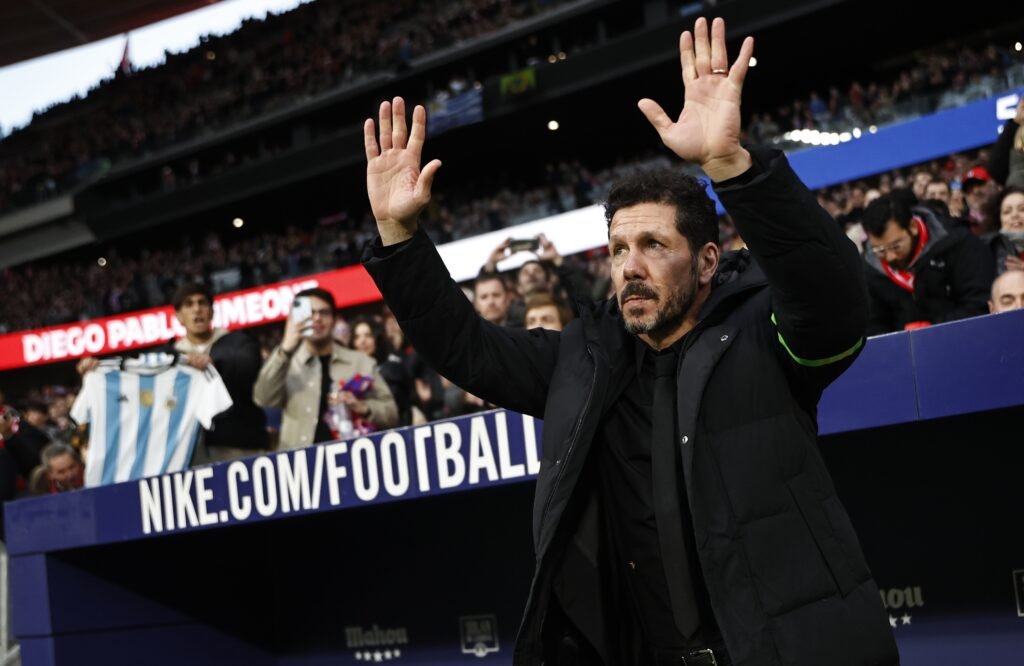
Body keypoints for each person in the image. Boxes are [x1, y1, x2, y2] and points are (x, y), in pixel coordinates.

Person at [362, 17, 896, 666]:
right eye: (617, 249)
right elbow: (465, 348)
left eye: (652, 246)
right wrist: (398, 238)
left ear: (705, 262)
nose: (629, 265)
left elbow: (834, 301)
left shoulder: (763, 335)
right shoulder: (581, 361)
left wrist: (732, 166)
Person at [253, 288, 398, 448]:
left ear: (335, 319)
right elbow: (263, 398)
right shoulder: (286, 364)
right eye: (310, 313)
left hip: (351, 459)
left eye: (324, 312)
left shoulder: (361, 362)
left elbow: (391, 413)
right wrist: (286, 348)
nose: (317, 318)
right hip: (301, 465)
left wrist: (364, 408)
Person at [862, 191, 995, 334]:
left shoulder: (958, 243)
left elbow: (979, 303)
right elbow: (872, 326)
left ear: (912, 227)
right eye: (879, 250)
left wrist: (931, 330)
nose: (889, 257)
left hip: (963, 338)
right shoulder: (869, 270)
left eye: (895, 246)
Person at [167, 283, 269, 463]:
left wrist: (213, 363)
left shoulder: (239, 341)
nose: (197, 309)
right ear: (179, 316)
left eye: (202, 303)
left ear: (212, 312)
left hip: (239, 446)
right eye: (189, 304)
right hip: (192, 452)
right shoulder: (169, 356)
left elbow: (248, 365)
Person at [350, 315, 414, 426]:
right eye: (357, 337)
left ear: (377, 338)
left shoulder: (392, 369)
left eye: (368, 335)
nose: (362, 341)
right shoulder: (349, 372)